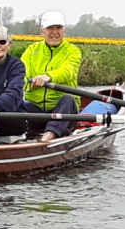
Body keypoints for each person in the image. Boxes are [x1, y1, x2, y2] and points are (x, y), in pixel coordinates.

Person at [21, 10, 82, 141]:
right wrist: (23, 84)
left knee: (68, 99)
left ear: (64, 30)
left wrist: (48, 76)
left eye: (58, 28)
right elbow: (22, 72)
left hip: (63, 110)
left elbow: (68, 70)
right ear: (42, 31)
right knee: (16, 104)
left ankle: (48, 137)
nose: (55, 32)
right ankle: (13, 136)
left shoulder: (73, 51)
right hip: (36, 109)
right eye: (50, 28)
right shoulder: (32, 50)